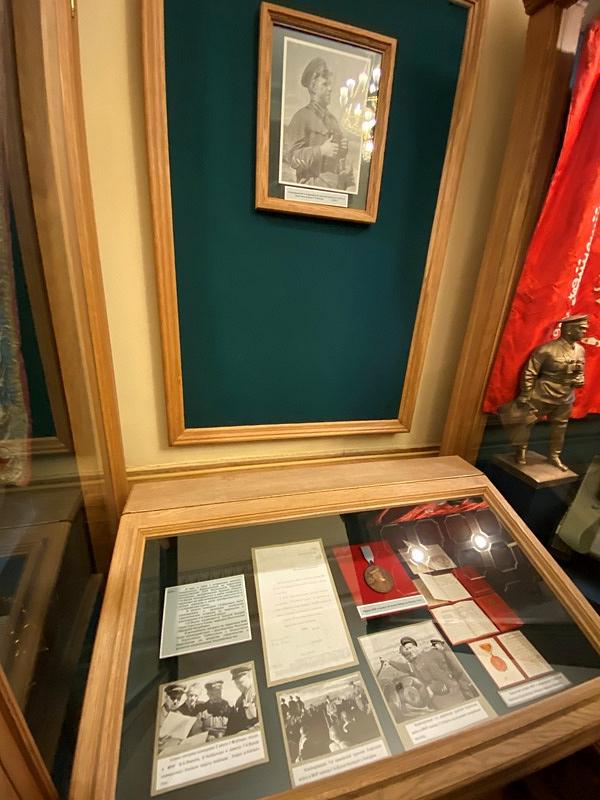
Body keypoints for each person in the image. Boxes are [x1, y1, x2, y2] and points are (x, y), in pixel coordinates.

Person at [499, 314, 588, 471]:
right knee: (526, 422)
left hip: (566, 396)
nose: (584, 331)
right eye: (581, 328)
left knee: (560, 427)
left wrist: (580, 379)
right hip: (543, 393)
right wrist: (526, 394)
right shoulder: (546, 350)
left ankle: (554, 456)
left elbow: (579, 371)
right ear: (568, 330)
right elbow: (530, 372)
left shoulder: (580, 350)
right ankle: (521, 451)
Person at [283, 57, 355, 191]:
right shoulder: (301, 117)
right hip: (312, 190)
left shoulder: (333, 121)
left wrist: (342, 150)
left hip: (336, 190)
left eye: (330, 84)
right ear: (313, 87)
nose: (330, 89)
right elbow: (292, 158)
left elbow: (338, 160)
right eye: (325, 84)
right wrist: (321, 150)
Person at [226, 666, 258, 735]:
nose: (239, 686)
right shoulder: (239, 701)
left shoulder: (257, 693)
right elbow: (239, 722)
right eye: (236, 684)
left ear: (249, 677)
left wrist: (249, 731)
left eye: (241, 682)